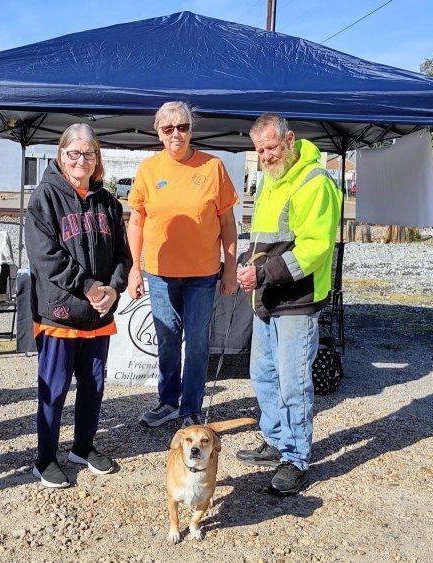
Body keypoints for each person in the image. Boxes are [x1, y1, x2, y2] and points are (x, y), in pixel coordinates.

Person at [234, 113, 342, 496]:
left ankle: (296, 459)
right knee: (263, 374)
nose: (264, 156)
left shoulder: (316, 182)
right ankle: (276, 441)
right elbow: (264, 237)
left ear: (290, 139)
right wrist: (247, 264)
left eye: (270, 148)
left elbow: (314, 248)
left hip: (297, 300)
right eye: (259, 150)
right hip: (267, 296)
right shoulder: (271, 179)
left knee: (294, 382)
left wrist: (262, 274)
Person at [25, 123, 132, 488]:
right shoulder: (44, 197)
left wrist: (114, 289)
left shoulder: (108, 202)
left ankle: (82, 447)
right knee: (53, 389)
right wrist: (88, 286)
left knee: (93, 385)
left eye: (89, 154)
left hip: (98, 314)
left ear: (96, 158)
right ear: (61, 154)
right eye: (74, 153)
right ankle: (44, 458)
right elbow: (45, 257)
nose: (81, 160)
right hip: (60, 313)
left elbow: (123, 254)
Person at [127, 101, 239, 429]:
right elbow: (135, 222)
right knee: (167, 340)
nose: (176, 134)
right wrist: (135, 267)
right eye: (168, 128)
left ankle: (191, 407)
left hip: (202, 274)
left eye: (183, 127)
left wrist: (229, 269)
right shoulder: (149, 169)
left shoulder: (213, 167)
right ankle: (167, 402)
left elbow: (228, 225)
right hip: (160, 274)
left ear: (191, 130)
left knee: (199, 343)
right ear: (158, 133)